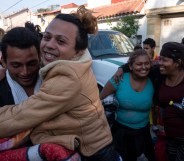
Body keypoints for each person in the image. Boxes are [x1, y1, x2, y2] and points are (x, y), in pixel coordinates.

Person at [0, 5, 121, 161]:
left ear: (79, 51)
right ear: (3, 61)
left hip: (91, 154)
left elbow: (20, 116)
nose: (50, 45)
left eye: (61, 41)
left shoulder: (67, 77)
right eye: (47, 37)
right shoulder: (61, 65)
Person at [100, 49, 156, 161]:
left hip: (142, 133)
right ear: (130, 66)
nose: (144, 67)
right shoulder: (119, 79)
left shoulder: (154, 79)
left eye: (147, 63)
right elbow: (99, 99)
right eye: (139, 64)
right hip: (120, 132)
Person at [0, 27, 41, 106]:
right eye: (16, 65)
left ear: (39, 57)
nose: (25, 72)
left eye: (31, 64)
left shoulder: (54, 80)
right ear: (4, 62)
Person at [157, 42, 184, 161]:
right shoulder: (159, 74)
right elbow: (140, 65)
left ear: (178, 63)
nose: (160, 64)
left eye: (165, 60)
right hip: (169, 136)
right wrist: (121, 69)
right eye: (160, 59)